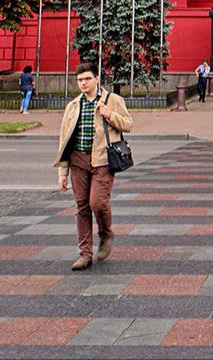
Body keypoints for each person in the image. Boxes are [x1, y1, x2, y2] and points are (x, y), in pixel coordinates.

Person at [54, 63, 133, 271]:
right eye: (80, 80)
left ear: (97, 79)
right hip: (78, 160)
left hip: (103, 160)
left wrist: (109, 115)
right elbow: (64, 140)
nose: (83, 83)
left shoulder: (113, 100)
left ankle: (106, 233)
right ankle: (85, 253)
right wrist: (62, 171)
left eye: (87, 79)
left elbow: (128, 124)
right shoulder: (73, 106)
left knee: (97, 203)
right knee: (81, 207)